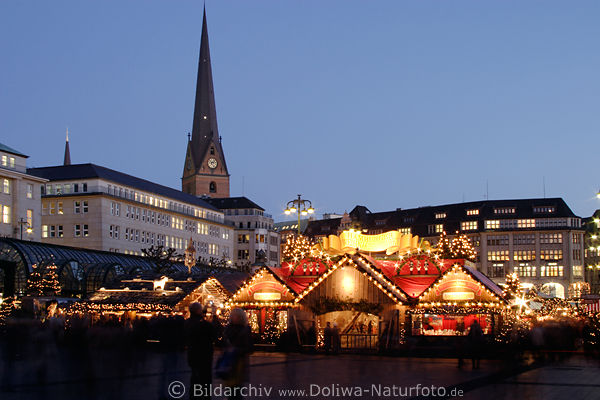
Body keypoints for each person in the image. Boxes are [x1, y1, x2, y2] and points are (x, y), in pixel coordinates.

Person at [185, 302, 216, 399]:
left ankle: (194, 395)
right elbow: (213, 336)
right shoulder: (204, 324)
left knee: (194, 376)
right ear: (199, 311)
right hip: (205, 355)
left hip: (192, 354)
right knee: (205, 379)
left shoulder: (187, 323)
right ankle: (204, 396)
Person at [223, 308, 253, 400]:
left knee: (236, 389)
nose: (234, 318)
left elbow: (249, 348)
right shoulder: (229, 329)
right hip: (232, 361)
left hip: (237, 362)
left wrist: (235, 350)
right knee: (233, 389)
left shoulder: (242, 329)